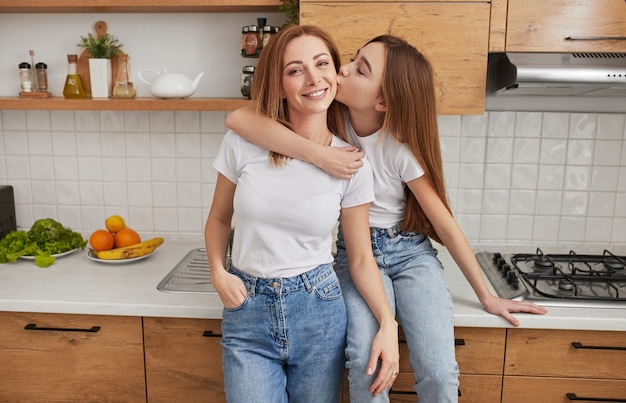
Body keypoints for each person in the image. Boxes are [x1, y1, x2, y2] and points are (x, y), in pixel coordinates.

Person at [224, 34, 549, 402]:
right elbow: (238, 119)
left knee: (440, 374)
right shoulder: (327, 116)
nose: (341, 69)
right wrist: (321, 156)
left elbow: (443, 222)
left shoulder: (398, 146)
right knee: (367, 364)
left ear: (381, 100)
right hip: (355, 253)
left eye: (360, 69)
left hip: (409, 253)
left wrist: (487, 296)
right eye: (351, 59)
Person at [204, 25, 399, 403]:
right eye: (295, 70)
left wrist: (387, 323)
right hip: (248, 311)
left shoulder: (351, 165)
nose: (313, 78)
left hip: (318, 310)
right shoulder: (242, 143)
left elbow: (360, 258)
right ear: (278, 84)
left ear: (334, 71)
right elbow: (218, 218)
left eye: (322, 63)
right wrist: (218, 272)